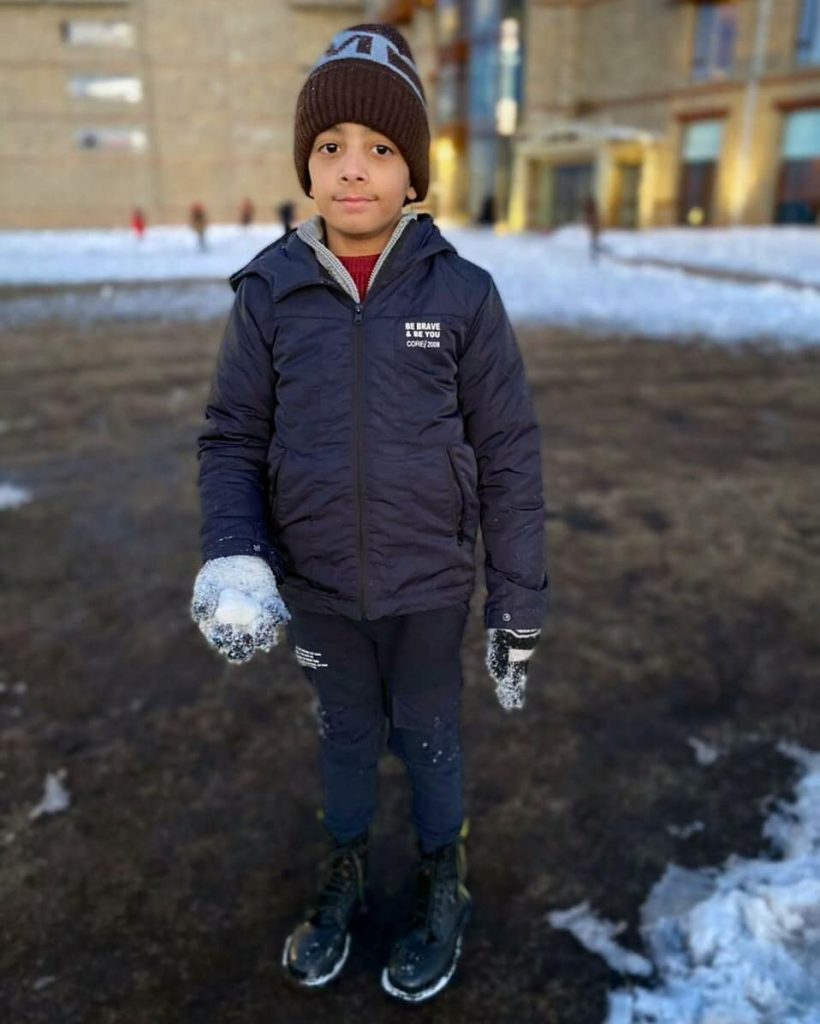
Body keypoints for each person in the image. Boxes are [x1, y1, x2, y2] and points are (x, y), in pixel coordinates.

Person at [190, 22, 548, 1005]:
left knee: (429, 734)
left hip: (429, 585)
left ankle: (443, 876)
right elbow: (228, 440)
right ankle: (345, 867)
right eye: (331, 147)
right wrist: (234, 554)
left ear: (414, 168)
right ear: (306, 162)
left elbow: (511, 452)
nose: (353, 171)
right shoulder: (268, 296)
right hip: (317, 589)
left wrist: (517, 596)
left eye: (381, 148)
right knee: (345, 735)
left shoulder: (465, 298)